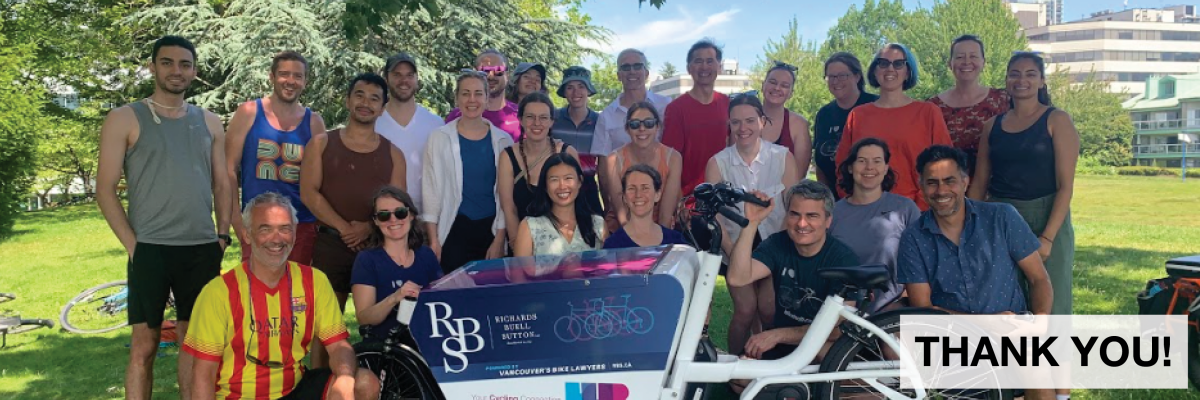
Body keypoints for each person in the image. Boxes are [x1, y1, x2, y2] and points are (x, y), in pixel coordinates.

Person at [96, 35, 231, 400]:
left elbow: (223, 182)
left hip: (201, 246)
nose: (176, 71)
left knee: (194, 342)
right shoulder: (125, 117)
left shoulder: (210, 122)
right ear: (153, 67)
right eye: (168, 62)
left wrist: (222, 235)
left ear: (194, 71)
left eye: (185, 64)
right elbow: (104, 189)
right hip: (150, 247)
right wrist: (133, 245)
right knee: (145, 343)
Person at [184, 192, 379, 400]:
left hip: (294, 389)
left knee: (364, 383)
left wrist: (346, 378)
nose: (276, 239)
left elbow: (339, 346)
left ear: (294, 233)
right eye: (265, 229)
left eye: (285, 229)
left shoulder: (314, 281)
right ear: (248, 235)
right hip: (238, 395)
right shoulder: (219, 292)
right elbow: (203, 374)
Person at [900, 145, 1056, 400]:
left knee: (1033, 356)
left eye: (949, 181)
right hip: (951, 340)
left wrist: (1039, 321)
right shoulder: (913, 237)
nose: (941, 191)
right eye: (932, 183)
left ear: (965, 181)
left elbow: (1039, 278)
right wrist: (984, 324)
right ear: (921, 186)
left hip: (1011, 331)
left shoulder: (1001, 216)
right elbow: (923, 311)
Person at [300, 72, 405, 367]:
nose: (365, 103)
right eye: (359, 95)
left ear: (383, 108)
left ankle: (380, 381)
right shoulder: (321, 144)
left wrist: (368, 228)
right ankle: (321, 385)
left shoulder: (393, 154)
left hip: (376, 249)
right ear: (347, 100)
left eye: (374, 99)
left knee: (381, 323)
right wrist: (346, 228)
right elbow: (309, 193)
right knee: (327, 325)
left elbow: (398, 206)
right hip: (331, 245)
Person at [970, 51, 1078, 317]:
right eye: (1015, 74)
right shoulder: (991, 126)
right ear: (1006, 80)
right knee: (1004, 299)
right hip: (999, 217)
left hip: (1046, 216)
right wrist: (968, 226)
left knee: (1052, 302)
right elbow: (980, 181)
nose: (1022, 80)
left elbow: (1066, 186)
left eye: (1031, 74)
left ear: (1041, 81)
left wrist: (1048, 238)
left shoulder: (1057, 120)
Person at [725, 181, 860, 393]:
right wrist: (750, 223)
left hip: (823, 347)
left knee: (827, 356)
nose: (802, 223)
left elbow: (837, 330)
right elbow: (737, 278)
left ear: (828, 221)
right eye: (795, 214)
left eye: (812, 216)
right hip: (788, 348)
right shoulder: (778, 243)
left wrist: (777, 335)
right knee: (739, 380)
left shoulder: (843, 259)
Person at [706, 91, 801, 356]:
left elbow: (792, 208)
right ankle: (735, 369)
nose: (743, 128)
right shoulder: (718, 163)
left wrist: (778, 253)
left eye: (749, 120)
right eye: (736, 122)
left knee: (769, 309)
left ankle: (769, 361)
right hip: (735, 245)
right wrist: (732, 251)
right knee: (746, 309)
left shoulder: (783, 157)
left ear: (762, 121)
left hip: (774, 244)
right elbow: (715, 218)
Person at [225, 51, 326, 266]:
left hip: (301, 224)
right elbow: (229, 170)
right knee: (256, 292)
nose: (290, 81)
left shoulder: (314, 122)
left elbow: (320, 179)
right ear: (271, 77)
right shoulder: (249, 112)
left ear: (305, 81)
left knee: (296, 293)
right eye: (284, 74)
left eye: (297, 76)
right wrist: (236, 220)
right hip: (258, 222)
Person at [835, 43, 951, 210]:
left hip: (919, 210)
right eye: (883, 63)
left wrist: (919, 205)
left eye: (898, 64)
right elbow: (843, 165)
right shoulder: (858, 115)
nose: (890, 69)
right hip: (866, 211)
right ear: (875, 70)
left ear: (908, 72)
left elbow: (944, 165)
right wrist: (854, 201)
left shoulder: (928, 112)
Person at [423, 70, 514, 273]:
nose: (471, 99)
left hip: (490, 230)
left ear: (487, 98)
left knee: (490, 295)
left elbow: (506, 196)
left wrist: (500, 238)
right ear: (456, 98)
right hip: (454, 229)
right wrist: (434, 240)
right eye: (465, 93)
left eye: (478, 93)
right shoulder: (439, 138)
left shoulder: (503, 140)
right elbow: (431, 190)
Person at [830, 138, 920, 312]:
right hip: (841, 310)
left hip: (891, 309)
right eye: (862, 161)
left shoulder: (905, 209)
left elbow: (922, 262)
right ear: (850, 167)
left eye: (877, 161)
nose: (869, 167)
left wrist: (902, 303)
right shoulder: (832, 212)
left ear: (886, 168)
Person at [351, 186, 441, 341]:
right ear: (376, 221)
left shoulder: (426, 255)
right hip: (387, 350)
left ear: (411, 215)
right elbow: (364, 318)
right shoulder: (367, 260)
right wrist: (395, 297)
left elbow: (441, 302)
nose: (393, 220)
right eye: (384, 215)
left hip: (426, 343)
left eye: (400, 213)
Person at [499, 92, 580, 251]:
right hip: (521, 246)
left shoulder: (567, 153)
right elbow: (509, 207)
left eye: (543, 117)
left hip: (563, 246)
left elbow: (577, 203)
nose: (537, 123)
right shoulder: (508, 157)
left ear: (551, 121)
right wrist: (518, 247)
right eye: (530, 117)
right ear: (520, 120)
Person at [928, 35, 1010, 177]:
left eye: (973, 56)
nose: (967, 62)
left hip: (998, 188)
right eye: (960, 57)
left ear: (983, 62)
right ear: (950, 63)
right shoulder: (932, 107)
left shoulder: (1004, 100)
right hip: (948, 188)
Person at [663, 39, 731, 201]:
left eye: (710, 61)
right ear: (689, 68)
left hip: (725, 197)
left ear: (719, 67)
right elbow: (669, 161)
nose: (704, 67)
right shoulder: (676, 109)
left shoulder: (728, 104)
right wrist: (679, 202)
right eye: (698, 61)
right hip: (690, 201)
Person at [600, 101, 682, 234]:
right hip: (622, 230)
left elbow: (665, 215)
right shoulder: (614, 160)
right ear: (627, 129)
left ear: (657, 127)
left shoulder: (673, 158)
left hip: (660, 230)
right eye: (635, 124)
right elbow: (621, 213)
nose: (642, 129)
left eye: (648, 123)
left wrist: (657, 245)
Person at [376, 52, 444, 211]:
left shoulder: (435, 124)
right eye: (397, 74)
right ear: (386, 79)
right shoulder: (373, 123)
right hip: (386, 218)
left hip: (427, 217)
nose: (404, 81)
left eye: (409, 75)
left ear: (416, 79)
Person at [513, 153, 605, 256]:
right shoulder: (529, 227)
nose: (562, 186)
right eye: (554, 180)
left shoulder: (598, 224)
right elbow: (521, 271)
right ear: (545, 185)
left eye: (568, 178)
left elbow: (608, 267)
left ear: (580, 181)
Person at [813, 52, 878, 195]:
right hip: (835, 200)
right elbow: (820, 161)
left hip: (873, 198)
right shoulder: (824, 114)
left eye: (842, 75)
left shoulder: (876, 106)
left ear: (857, 76)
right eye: (831, 76)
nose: (836, 81)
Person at [590, 48, 673, 156]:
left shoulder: (666, 106)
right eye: (625, 67)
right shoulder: (607, 116)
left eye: (637, 66)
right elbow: (603, 163)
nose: (632, 71)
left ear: (646, 73)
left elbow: (675, 150)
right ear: (619, 75)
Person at [552, 66, 604, 217]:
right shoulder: (553, 118)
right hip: (559, 187)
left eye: (581, 86)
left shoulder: (599, 121)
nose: (576, 92)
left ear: (588, 90)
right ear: (564, 92)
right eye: (570, 87)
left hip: (588, 187)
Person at [602, 164, 689, 249]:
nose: (638, 194)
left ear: (657, 195)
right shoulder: (613, 245)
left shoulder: (676, 241)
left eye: (645, 188)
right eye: (632, 188)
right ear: (624, 197)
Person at [445, 49, 521, 140]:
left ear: (507, 76)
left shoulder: (521, 115)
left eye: (498, 70)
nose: (491, 76)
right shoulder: (457, 115)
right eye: (484, 71)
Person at [759, 61, 813, 177]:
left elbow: (799, 175)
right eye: (773, 82)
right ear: (763, 85)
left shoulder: (799, 125)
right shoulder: (744, 119)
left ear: (791, 93)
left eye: (784, 85)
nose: (777, 88)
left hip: (784, 193)